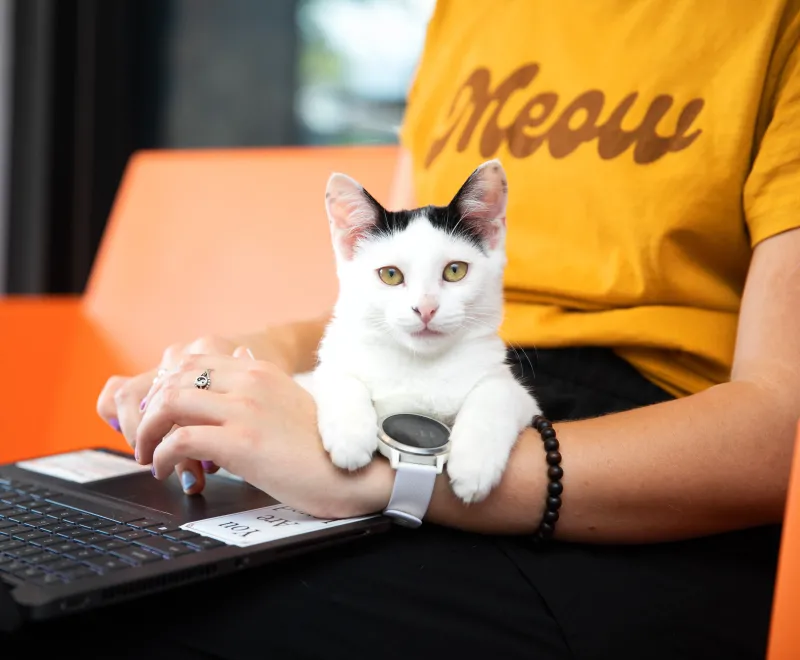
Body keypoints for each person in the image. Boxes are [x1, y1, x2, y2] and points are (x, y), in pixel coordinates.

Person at [7, 1, 800, 657]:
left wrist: (386, 479)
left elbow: (782, 429)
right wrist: (242, 366)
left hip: (641, 474)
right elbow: (388, 289)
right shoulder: (465, 16)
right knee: (56, 573)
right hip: (427, 399)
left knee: (148, 622)